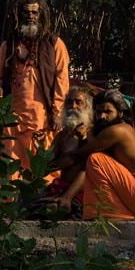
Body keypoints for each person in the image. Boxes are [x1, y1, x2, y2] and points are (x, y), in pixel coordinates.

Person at [0, 0, 70, 171]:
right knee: (12, 164)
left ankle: (41, 199)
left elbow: (62, 80)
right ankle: (12, 200)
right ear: (19, 16)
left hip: (42, 116)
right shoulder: (8, 45)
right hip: (13, 117)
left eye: (35, 13)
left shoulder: (55, 44)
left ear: (41, 15)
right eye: (26, 13)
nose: (30, 17)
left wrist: (58, 112)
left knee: (42, 164)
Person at [76, 89, 135, 220]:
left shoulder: (118, 130)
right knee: (95, 159)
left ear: (120, 113)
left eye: (108, 112)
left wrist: (46, 167)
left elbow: (78, 156)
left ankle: (113, 213)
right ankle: (115, 212)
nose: (102, 116)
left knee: (96, 159)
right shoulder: (110, 132)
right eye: (99, 112)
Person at [38, 87, 94, 215]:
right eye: (69, 102)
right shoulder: (62, 136)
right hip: (61, 189)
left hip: (84, 194)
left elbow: (87, 167)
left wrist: (67, 197)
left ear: (88, 107)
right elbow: (45, 169)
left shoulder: (93, 133)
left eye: (78, 102)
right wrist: (41, 147)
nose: (73, 106)